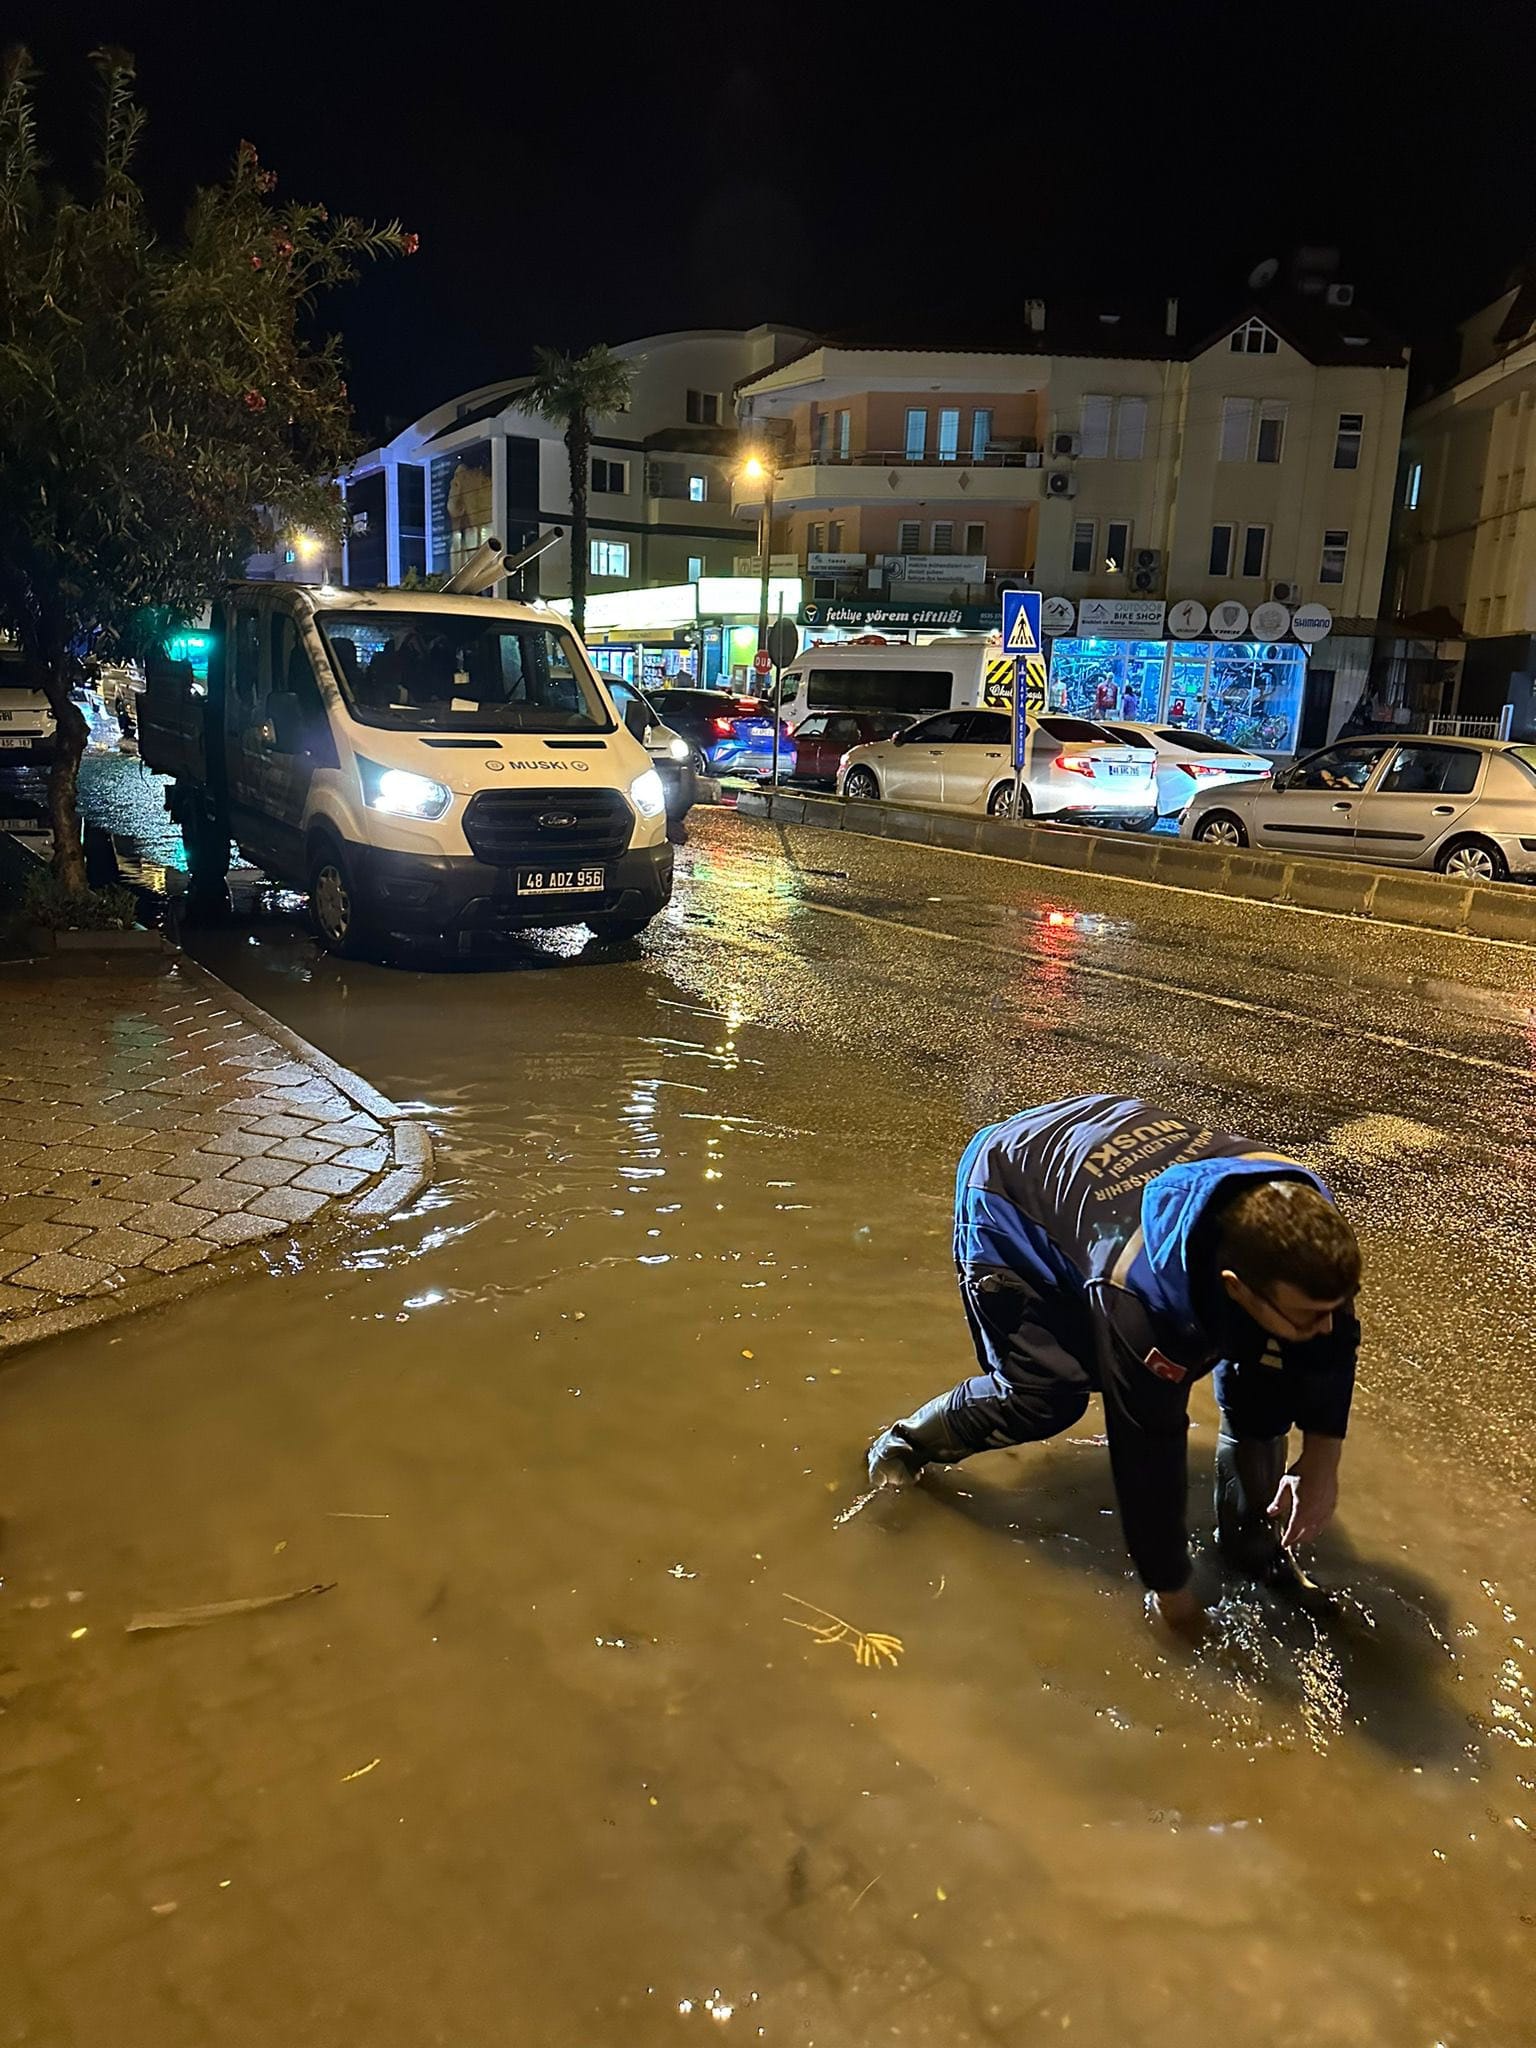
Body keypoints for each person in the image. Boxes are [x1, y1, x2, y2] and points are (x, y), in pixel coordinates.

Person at [867, 1096, 1361, 1635]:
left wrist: (1322, 1460)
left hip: (1111, 1150)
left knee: (1269, 1368)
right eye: (1312, 1315)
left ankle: (1254, 1550)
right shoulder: (1138, 1295)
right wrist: (1172, 1597)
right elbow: (1147, 1452)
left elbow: (1328, 1345)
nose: (1328, 1326)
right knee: (1043, 1397)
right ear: (1236, 1288)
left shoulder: (1308, 1226)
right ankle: (906, 1445)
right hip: (1010, 1187)